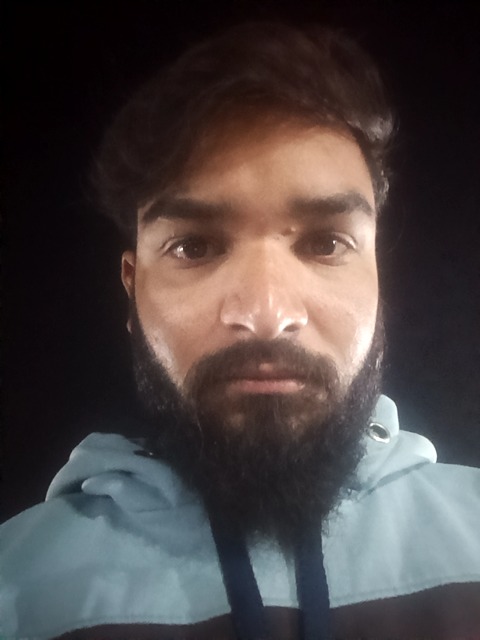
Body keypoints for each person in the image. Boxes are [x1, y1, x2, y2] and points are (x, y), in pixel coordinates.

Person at [1, 22, 479, 640]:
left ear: (378, 276)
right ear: (132, 289)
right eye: (194, 247)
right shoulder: (16, 588)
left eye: (326, 243)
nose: (266, 314)